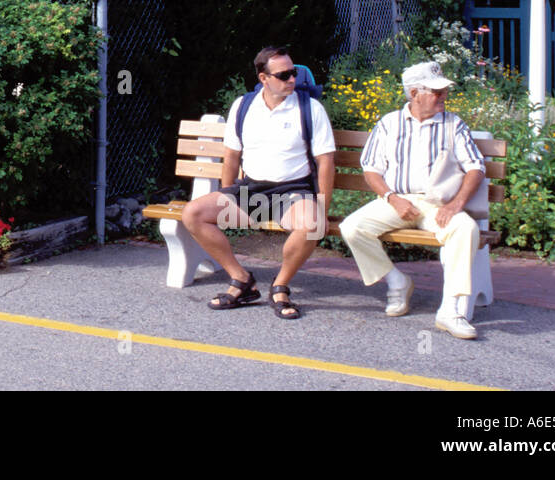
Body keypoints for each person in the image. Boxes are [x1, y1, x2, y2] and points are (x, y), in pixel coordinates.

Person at [179, 46, 336, 319]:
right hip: (252, 191)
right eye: (284, 74)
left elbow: (326, 162)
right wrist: (227, 194)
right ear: (263, 78)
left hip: (293, 192)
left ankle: (280, 285)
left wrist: (322, 205)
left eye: (294, 73)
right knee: (192, 213)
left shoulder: (310, 108)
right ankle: (241, 280)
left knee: (312, 226)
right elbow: (231, 157)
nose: (292, 79)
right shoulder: (243, 105)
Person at [339, 61, 485, 339]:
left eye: (444, 92)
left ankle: (450, 310)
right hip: (397, 201)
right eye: (436, 92)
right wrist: (392, 198)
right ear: (414, 93)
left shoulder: (453, 124)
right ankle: (397, 281)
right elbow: (371, 169)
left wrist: (455, 205)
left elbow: (476, 167)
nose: (444, 97)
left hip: (437, 205)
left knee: (465, 228)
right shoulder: (388, 124)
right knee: (352, 227)